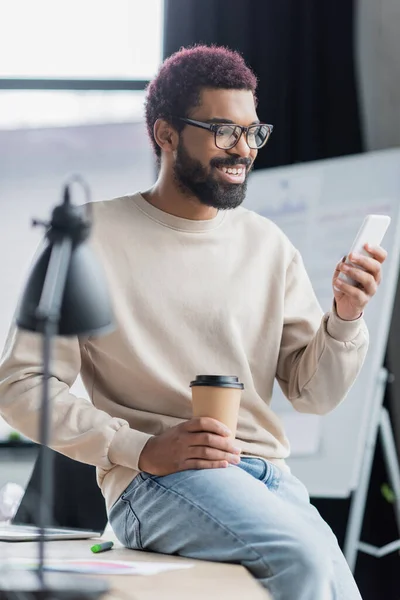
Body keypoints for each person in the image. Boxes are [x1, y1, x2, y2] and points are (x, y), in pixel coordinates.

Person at [0, 45, 387, 600]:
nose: (243, 149)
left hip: (269, 477)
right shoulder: (88, 235)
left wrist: (345, 319)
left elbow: (313, 394)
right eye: (223, 130)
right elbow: (20, 386)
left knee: (338, 585)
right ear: (165, 134)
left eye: (253, 132)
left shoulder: (267, 244)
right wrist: (138, 448)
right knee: (301, 561)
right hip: (156, 481)